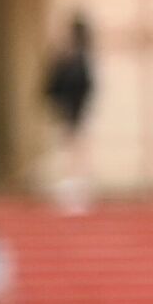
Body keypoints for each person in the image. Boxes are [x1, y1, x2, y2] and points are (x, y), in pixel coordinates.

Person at [42, 13, 96, 213]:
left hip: (77, 111)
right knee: (68, 149)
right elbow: (52, 84)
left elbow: (86, 86)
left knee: (76, 150)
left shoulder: (81, 58)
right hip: (67, 110)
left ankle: (78, 189)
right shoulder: (65, 58)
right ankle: (70, 187)